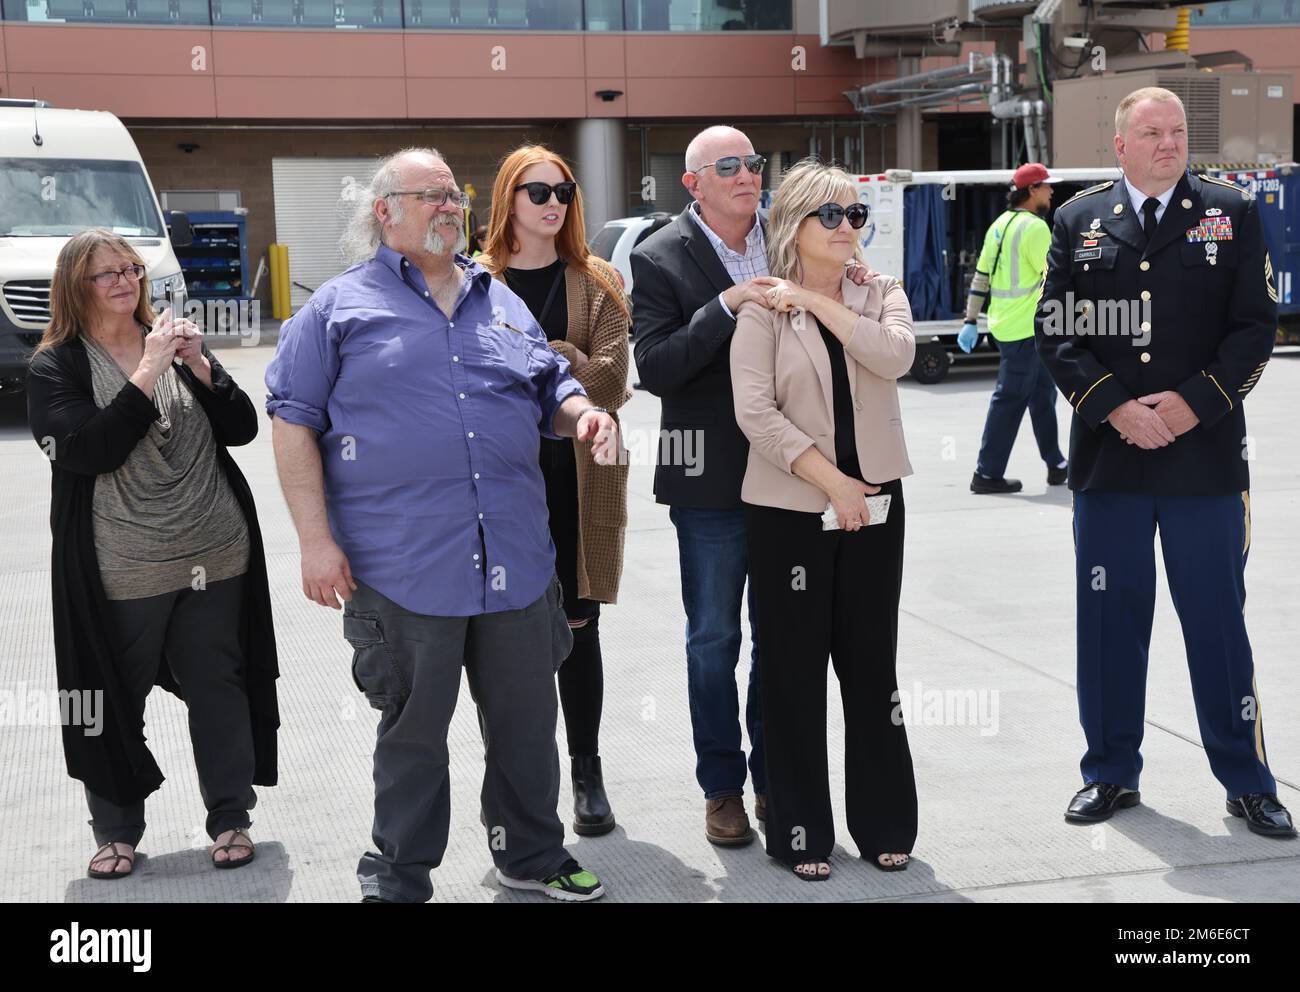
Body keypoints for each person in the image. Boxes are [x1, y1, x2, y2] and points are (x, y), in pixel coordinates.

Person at [266, 147, 622, 902]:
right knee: (413, 737)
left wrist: (585, 415)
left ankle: (529, 856)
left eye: (453, 195)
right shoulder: (336, 309)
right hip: (401, 569)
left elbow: (550, 386)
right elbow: (293, 424)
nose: (448, 207)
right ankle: (398, 875)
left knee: (527, 728)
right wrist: (314, 540)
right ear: (382, 210)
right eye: (428, 196)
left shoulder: (502, 301)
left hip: (518, 561)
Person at [1034, 87, 1292, 837]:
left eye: (1178, 131)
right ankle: (1111, 773)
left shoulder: (1230, 212)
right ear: (1121, 144)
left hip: (1204, 463)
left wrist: (1191, 405)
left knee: (1216, 623)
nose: (1168, 144)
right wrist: (1115, 406)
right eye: (1152, 132)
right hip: (1110, 462)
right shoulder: (1078, 219)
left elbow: (1255, 329)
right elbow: (1056, 331)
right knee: (1110, 621)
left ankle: (1246, 781)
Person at [632, 125, 871, 846]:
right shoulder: (659, 257)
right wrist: (727, 306)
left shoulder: (788, 238)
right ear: (693, 182)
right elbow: (659, 368)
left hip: (793, 475)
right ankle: (722, 789)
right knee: (713, 639)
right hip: (710, 485)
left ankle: (777, 782)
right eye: (728, 166)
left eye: (753, 163)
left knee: (782, 639)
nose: (747, 175)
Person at [25, 228, 280, 880]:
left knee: (217, 684)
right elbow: (88, 449)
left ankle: (230, 817)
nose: (123, 282)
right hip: (124, 566)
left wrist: (200, 366)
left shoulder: (172, 343)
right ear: (74, 289)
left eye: (131, 269)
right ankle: (116, 831)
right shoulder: (58, 365)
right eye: (104, 274)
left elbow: (243, 427)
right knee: (114, 697)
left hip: (214, 551)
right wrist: (147, 369)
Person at [731, 159, 918, 879]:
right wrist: (834, 483)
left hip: (880, 507)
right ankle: (801, 831)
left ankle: (884, 825)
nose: (848, 228)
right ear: (795, 226)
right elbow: (754, 413)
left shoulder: (882, 294)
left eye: (856, 215)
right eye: (831, 215)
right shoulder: (759, 310)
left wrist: (820, 304)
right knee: (792, 670)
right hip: (790, 511)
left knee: (873, 668)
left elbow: (894, 355)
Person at [477, 145, 631, 836]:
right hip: (499, 477)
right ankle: (517, 775)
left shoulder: (596, 280)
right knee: (506, 632)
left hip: (576, 474)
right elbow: (469, 378)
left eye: (564, 191)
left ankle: (587, 770)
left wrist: (545, 359)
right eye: (538, 191)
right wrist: (565, 362)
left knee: (578, 626)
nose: (553, 202)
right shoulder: (472, 280)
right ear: (508, 198)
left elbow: (610, 379)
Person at [959, 162, 1068, 494]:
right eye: (1047, 186)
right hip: (1026, 330)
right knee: (1009, 399)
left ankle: (1056, 465)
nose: (1052, 191)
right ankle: (986, 474)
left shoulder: (999, 225)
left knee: (1042, 395)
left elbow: (981, 278)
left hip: (1006, 326)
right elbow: (1056, 278)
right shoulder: (1035, 228)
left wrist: (969, 320)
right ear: (1032, 190)